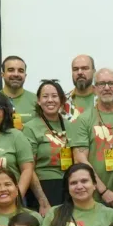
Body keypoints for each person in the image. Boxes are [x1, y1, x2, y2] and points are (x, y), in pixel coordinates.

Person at [70, 68, 113, 204]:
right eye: (102, 84)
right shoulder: (83, 119)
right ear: (95, 89)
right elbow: (80, 158)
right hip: (94, 196)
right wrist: (103, 190)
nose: (107, 88)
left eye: (111, 83)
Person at [24, 79, 74, 211]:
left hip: (70, 185)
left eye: (54, 96)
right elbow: (29, 167)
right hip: (43, 186)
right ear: (39, 101)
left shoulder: (71, 126)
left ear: (62, 100)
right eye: (45, 96)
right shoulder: (30, 128)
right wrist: (42, 200)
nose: (50, 100)